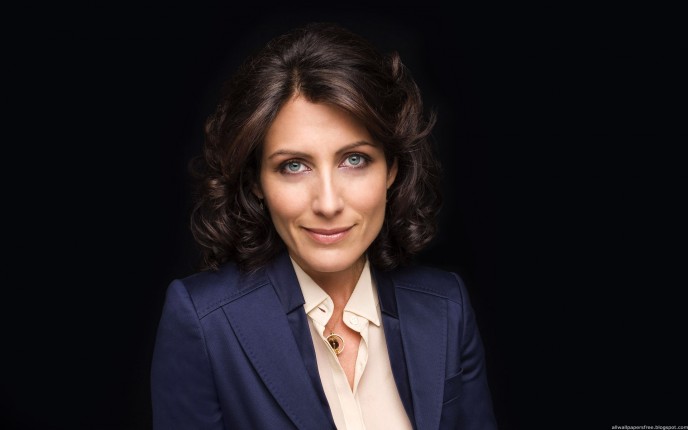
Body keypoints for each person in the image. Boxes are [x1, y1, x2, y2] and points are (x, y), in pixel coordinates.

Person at [151, 21, 497, 430]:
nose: (328, 203)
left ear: (392, 169)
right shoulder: (205, 322)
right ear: (256, 181)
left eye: (354, 160)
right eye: (294, 166)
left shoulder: (446, 305)